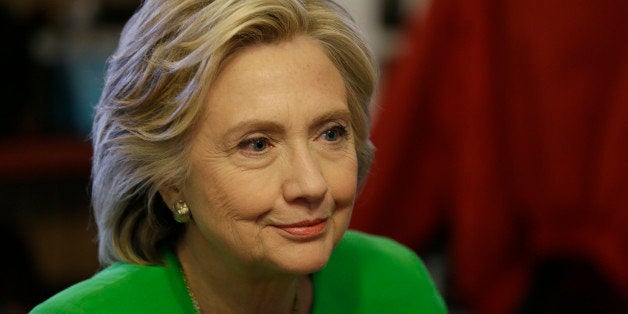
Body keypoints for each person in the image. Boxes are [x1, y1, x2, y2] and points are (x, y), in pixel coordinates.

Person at [31, 0, 447, 313]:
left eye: (330, 133)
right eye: (258, 144)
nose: (312, 184)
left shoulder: (396, 283)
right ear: (170, 180)